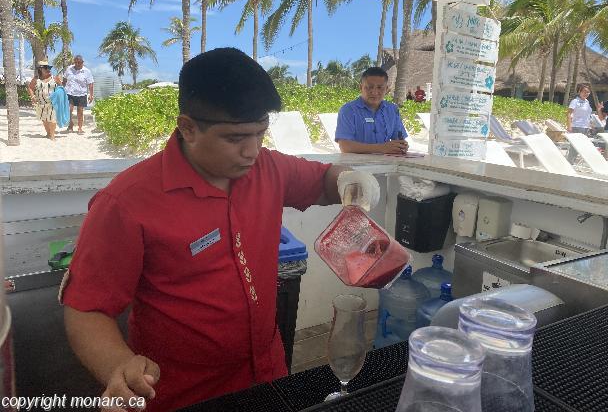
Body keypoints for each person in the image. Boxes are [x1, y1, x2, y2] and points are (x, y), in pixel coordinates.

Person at [62, 48, 379, 412]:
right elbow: (87, 309)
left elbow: (324, 180)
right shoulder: (127, 202)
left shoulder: (267, 168)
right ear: (188, 128)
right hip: (182, 391)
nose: (252, 151)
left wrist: (352, 182)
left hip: (268, 375)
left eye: (261, 133)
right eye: (235, 138)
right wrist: (118, 365)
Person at [335, 67, 409, 154]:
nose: (374, 92)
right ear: (361, 87)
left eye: (380, 87)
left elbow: (399, 139)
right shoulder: (348, 110)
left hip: (387, 164)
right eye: (369, 87)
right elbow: (345, 146)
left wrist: (401, 146)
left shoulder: (392, 110)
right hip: (356, 164)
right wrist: (381, 148)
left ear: (386, 89)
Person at [27, 60, 63, 141]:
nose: (48, 69)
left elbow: (61, 87)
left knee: (52, 119)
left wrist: (60, 97)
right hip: (41, 103)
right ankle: (48, 133)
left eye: (49, 67)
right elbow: (30, 87)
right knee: (44, 119)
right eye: (46, 68)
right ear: (40, 69)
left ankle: (52, 135)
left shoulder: (55, 78)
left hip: (53, 102)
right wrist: (32, 97)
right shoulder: (36, 79)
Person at [63, 55, 94, 134]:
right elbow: (65, 79)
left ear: (82, 62)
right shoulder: (69, 69)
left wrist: (91, 95)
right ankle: (70, 125)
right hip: (70, 93)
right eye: (75, 62)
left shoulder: (87, 71)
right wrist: (62, 90)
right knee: (69, 109)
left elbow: (90, 84)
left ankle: (80, 128)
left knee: (80, 111)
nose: (77, 64)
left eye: (79, 62)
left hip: (81, 94)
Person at [566, 84, 593, 162]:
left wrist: (591, 124)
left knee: (581, 146)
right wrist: (569, 126)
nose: (586, 93)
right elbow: (568, 113)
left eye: (588, 92)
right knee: (574, 147)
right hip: (576, 126)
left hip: (585, 127)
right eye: (584, 92)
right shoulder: (575, 101)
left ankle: (573, 162)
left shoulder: (587, 102)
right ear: (579, 92)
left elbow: (587, 115)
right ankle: (570, 162)